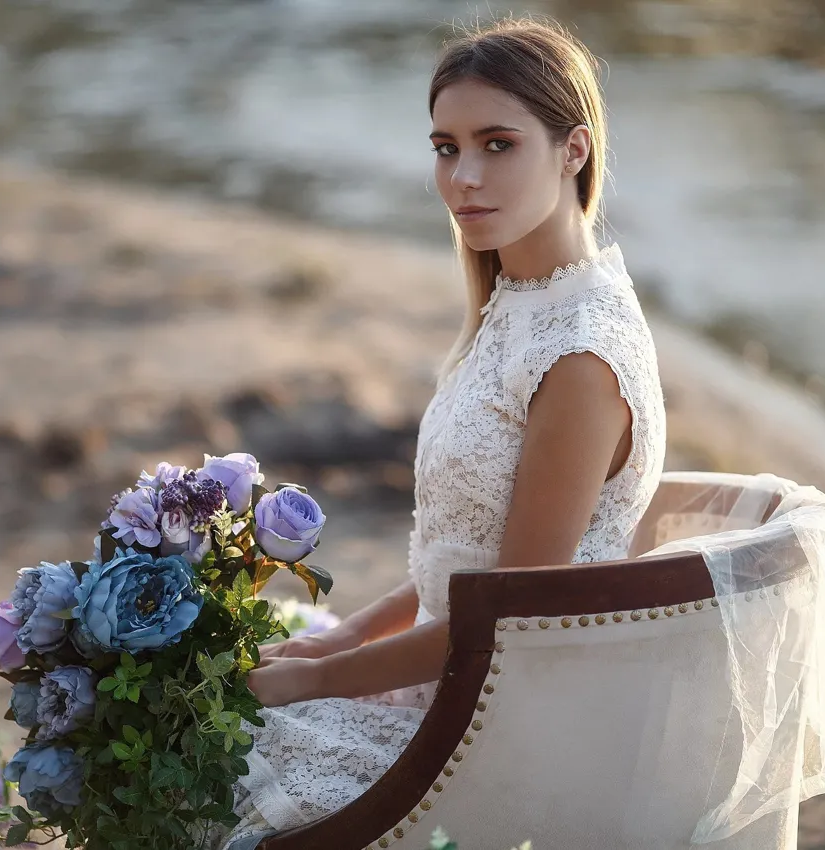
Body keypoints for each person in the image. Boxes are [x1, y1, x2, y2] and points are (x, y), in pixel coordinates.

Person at [218, 16, 666, 848]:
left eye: (499, 144)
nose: (464, 177)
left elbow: (509, 613)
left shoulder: (580, 357)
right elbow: (462, 560)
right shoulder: (520, 304)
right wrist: (345, 635)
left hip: (495, 717)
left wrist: (325, 676)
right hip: (446, 666)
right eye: (445, 147)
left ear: (574, 150)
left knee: (209, 769)